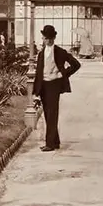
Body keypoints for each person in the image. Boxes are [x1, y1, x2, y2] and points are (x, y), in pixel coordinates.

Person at [31, 24, 81, 152]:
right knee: (48, 114)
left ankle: (49, 144)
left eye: (50, 38)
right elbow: (38, 73)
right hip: (43, 86)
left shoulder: (60, 52)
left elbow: (76, 64)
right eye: (46, 38)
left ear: (54, 38)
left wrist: (63, 74)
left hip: (54, 85)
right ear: (43, 38)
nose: (48, 40)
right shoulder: (41, 53)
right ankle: (55, 141)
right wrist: (36, 92)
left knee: (52, 113)